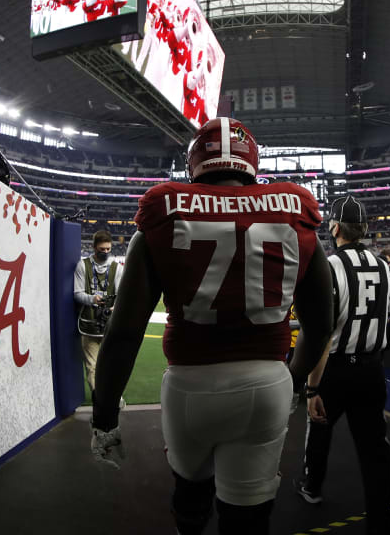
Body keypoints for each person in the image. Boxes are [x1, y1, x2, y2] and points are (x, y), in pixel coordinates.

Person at [89, 117, 334, 535]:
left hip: (190, 384)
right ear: (252, 163)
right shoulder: (294, 212)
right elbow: (321, 322)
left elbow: (125, 332)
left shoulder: (163, 214)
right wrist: (293, 383)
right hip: (266, 381)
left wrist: (105, 415)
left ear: (194, 164)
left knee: (190, 498)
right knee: (249, 518)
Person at [295, 195, 390, 535]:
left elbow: (323, 333)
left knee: (319, 426)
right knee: (375, 448)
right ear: (364, 228)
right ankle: (381, 520)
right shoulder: (385, 265)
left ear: (334, 227)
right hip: (372, 369)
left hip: (337, 369)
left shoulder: (330, 265)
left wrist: (312, 388)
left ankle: (312, 486)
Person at [73, 229, 124, 394]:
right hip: (89, 326)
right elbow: (77, 293)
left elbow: (122, 295)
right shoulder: (83, 265)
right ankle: (99, 402)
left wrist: (114, 307)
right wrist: (92, 299)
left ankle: (112, 398)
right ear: (94, 247)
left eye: (108, 249)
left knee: (112, 367)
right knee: (92, 367)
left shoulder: (116, 268)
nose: (105, 252)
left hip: (110, 326)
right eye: (102, 250)